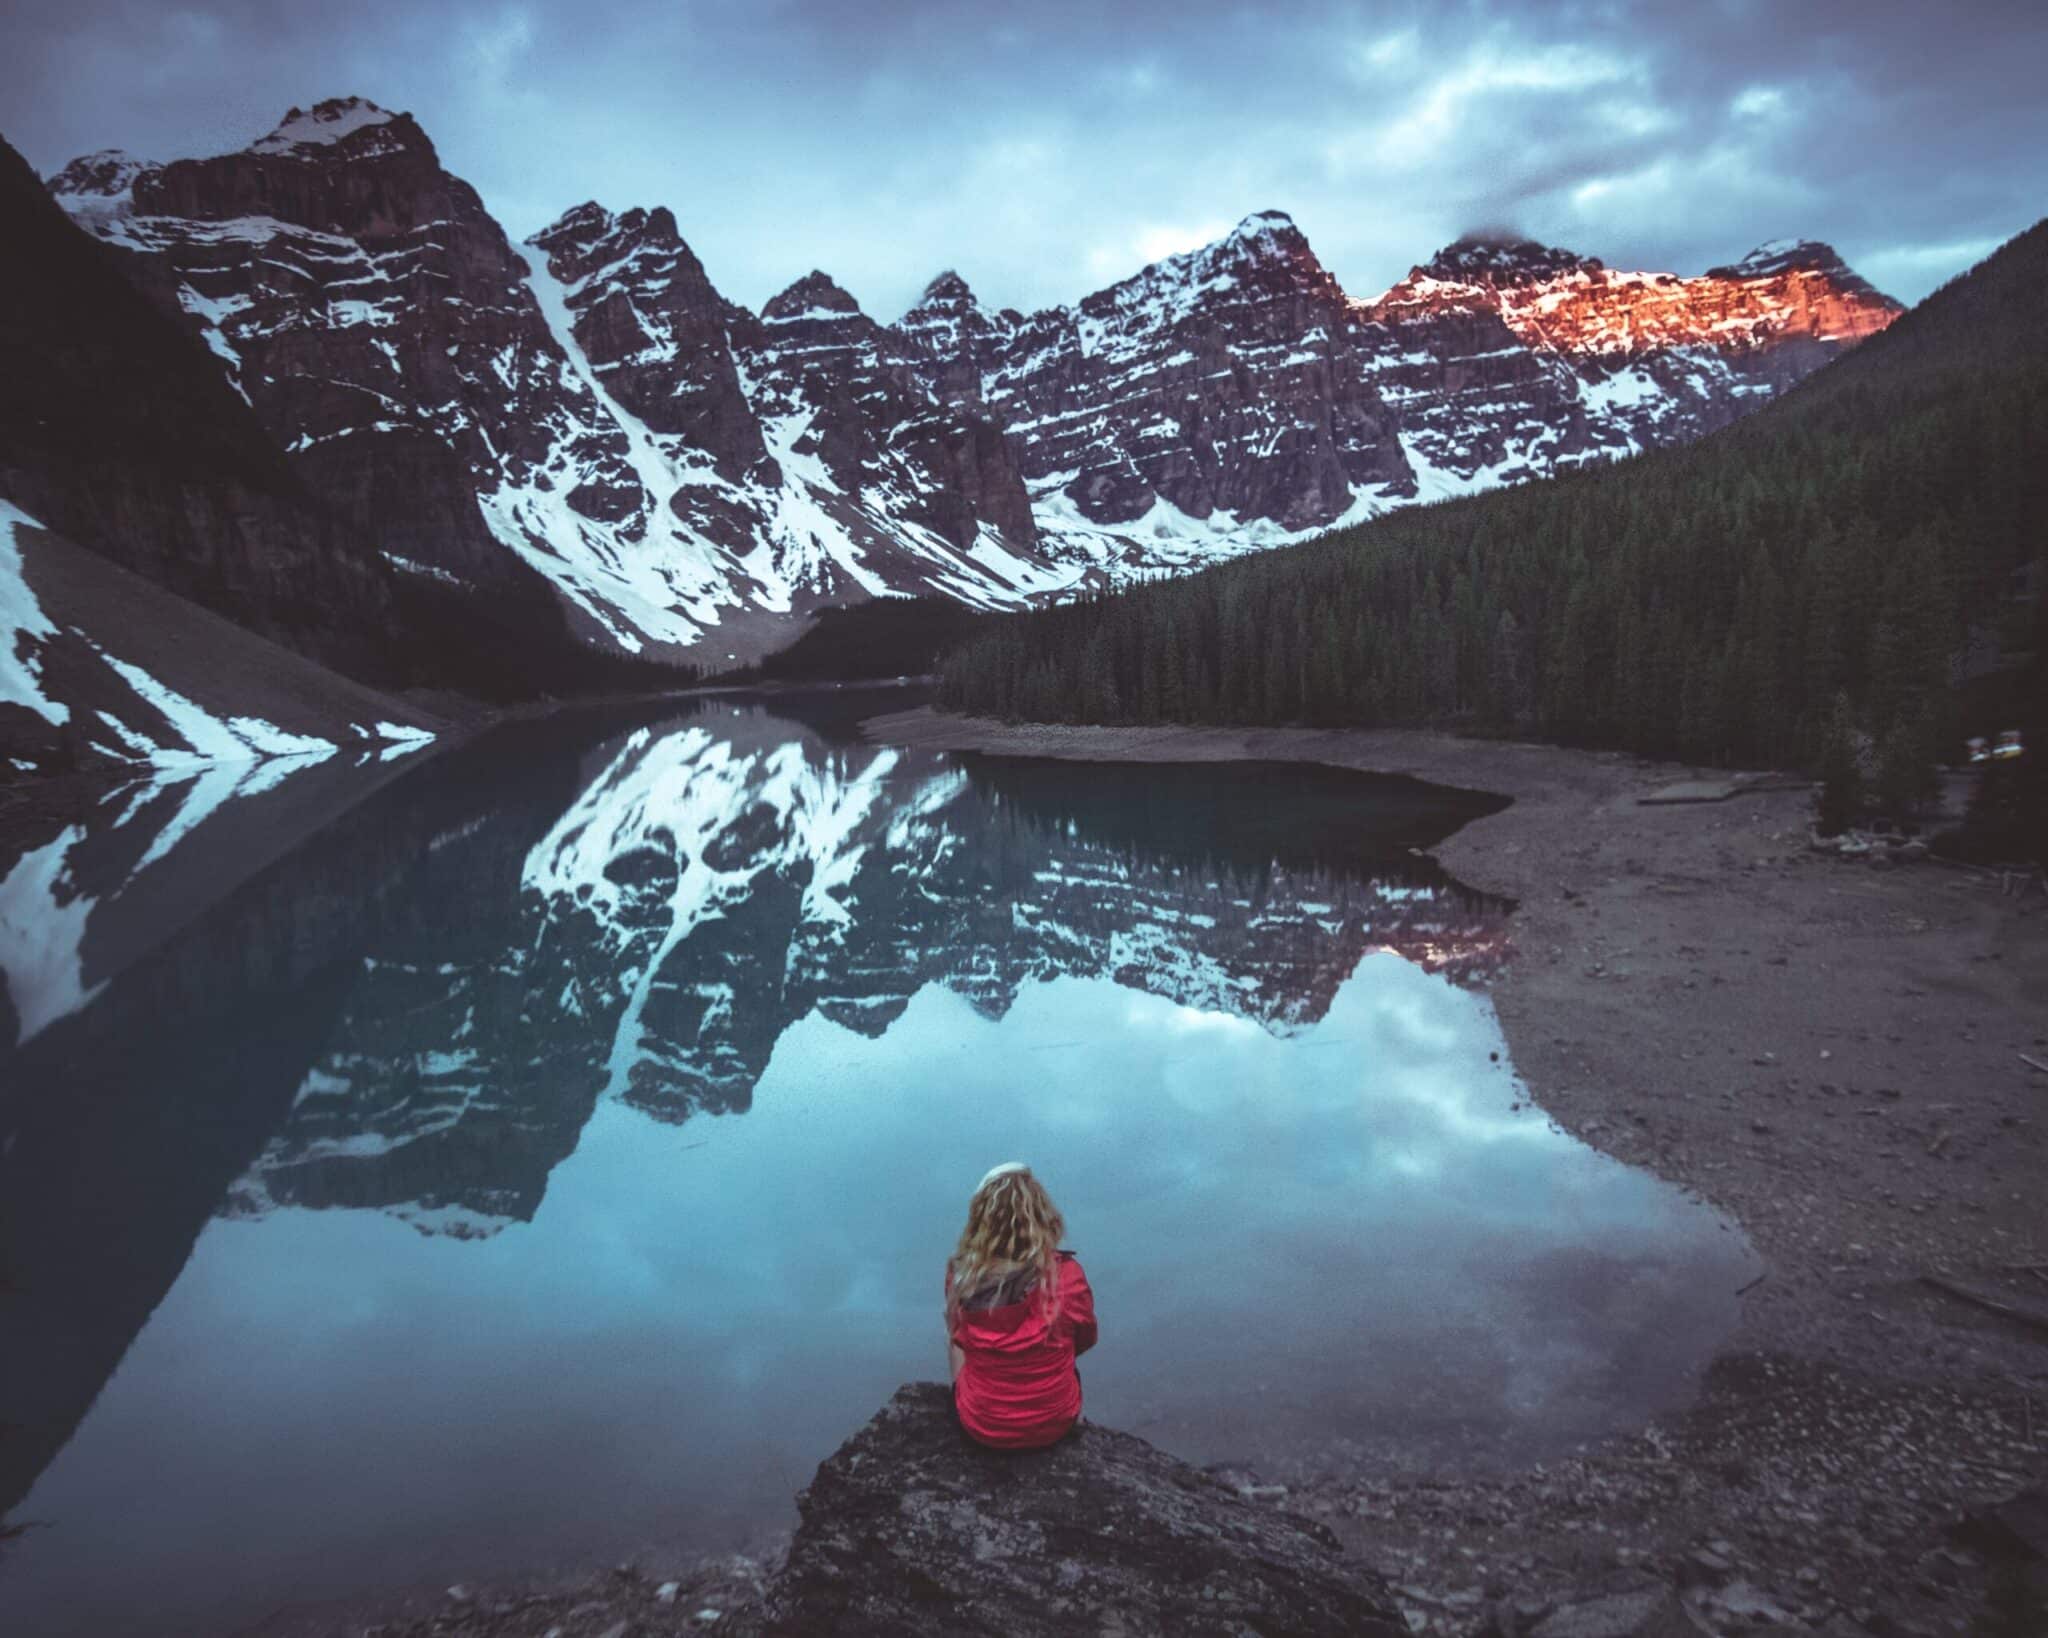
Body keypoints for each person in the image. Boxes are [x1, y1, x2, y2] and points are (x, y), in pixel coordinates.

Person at [944, 1162, 1097, 1449]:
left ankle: (975, 1399)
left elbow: (960, 1341)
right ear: (1041, 1215)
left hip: (982, 1428)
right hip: (1056, 1425)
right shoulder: (1067, 1276)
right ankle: (1052, 1408)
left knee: (954, 1334)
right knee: (1061, 1332)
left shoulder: (961, 1277)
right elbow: (1085, 1339)